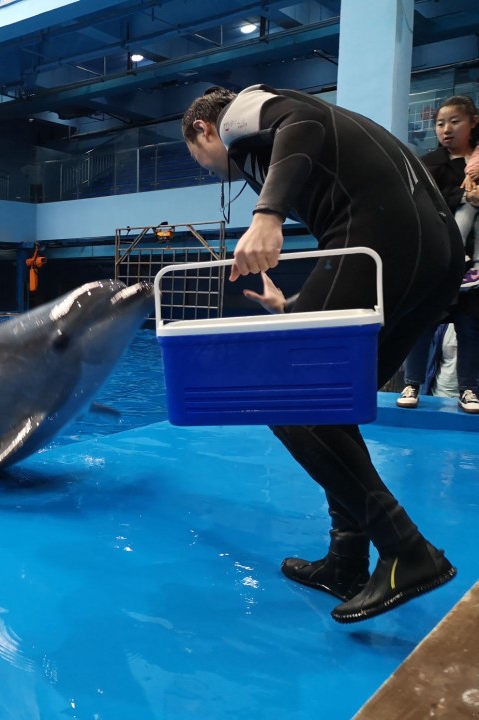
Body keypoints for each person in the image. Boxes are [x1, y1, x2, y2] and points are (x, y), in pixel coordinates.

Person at [182, 84, 460, 623]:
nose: (204, 166)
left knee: (284, 394)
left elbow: (302, 120)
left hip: (384, 238)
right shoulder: (274, 143)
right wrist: (292, 305)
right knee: (332, 401)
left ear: (202, 129)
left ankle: (407, 550)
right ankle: (348, 559)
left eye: (196, 156)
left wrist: (268, 214)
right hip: (435, 253)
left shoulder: (243, 112)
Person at [397, 95, 479, 413]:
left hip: (474, 267)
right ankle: (412, 383)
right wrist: (463, 195)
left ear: (473, 122)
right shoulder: (428, 164)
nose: (446, 129)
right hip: (439, 259)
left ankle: (470, 390)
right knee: (423, 322)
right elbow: (421, 203)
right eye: (440, 123)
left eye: (454, 121)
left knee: (471, 326)